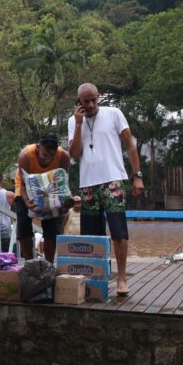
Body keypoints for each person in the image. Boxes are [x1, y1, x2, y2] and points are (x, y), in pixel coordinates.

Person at [68, 82, 144, 296]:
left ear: (98, 97)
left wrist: (137, 176)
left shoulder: (114, 113)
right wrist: (79, 124)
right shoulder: (73, 121)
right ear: (79, 102)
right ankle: (96, 278)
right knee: (92, 235)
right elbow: (74, 154)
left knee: (119, 231)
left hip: (113, 180)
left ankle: (121, 278)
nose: (91, 104)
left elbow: (130, 145)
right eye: (86, 101)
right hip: (88, 184)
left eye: (94, 99)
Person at [13, 132, 71, 262]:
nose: (48, 159)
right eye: (45, 155)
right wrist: (27, 202)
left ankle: (48, 263)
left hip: (51, 187)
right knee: (23, 225)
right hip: (26, 187)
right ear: (38, 147)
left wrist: (66, 201)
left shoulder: (64, 157)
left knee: (53, 226)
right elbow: (22, 185)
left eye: (52, 155)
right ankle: (29, 262)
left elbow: (63, 184)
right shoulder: (26, 155)